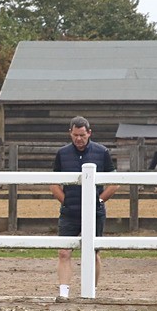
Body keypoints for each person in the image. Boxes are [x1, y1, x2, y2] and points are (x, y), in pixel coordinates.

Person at [49, 117, 117, 301]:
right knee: (64, 251)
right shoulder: (62, 153)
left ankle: (91, 292)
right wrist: (66, 202)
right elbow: (54, 183)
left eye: (82, 135)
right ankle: (63, 293)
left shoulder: (102, 152)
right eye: (75, 135)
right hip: (70, 212)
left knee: (93, 252)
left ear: (89, 133)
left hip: (94, 212)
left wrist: (99, 201)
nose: (79, 139)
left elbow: (114, 182)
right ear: (70, 133)